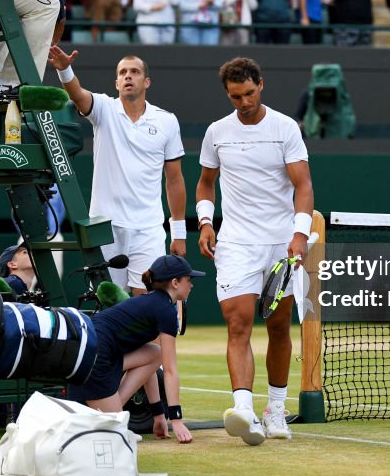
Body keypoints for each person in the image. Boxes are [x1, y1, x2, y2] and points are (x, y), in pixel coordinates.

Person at [196, 57, 314, 446]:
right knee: (238, 324)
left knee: (279, 326)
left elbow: (303, 186)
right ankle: (244, 410)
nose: (243, 102)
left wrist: (299, 234)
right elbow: (206, 183)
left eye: (248, 93)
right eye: (235, 96)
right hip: (236, 244)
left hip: (281, 244)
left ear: (260, 85)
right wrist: (205, 222)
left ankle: (276, 409)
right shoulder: (216, 132)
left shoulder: (285, 128)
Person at [47, 46, 187, 293]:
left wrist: (179, 232)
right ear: (117, 82)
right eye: (122, 73)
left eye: (134, 72)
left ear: (147, 81)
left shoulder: (167, 120)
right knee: (109, 303)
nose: (128, 76)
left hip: (148, 228)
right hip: (106, 227)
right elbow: (78, 95)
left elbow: (174, 180)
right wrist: (65, 70)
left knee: (147, 305)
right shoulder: (103, 108)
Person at [66, 254, 197, 443]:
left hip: (87, 349)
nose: (191, 285)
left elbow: (150, 368)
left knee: (154, 353)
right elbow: (169, 370)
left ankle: (111, 406)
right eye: (189, 280)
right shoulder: (166, 310)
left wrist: (158, 414)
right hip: (95, 356)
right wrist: (176, 419)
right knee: (115, 434)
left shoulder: (151, 303)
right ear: (175, 282)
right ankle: (108, 412)